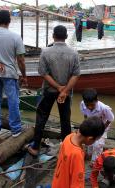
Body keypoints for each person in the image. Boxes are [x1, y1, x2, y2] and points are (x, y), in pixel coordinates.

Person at [28, 25, 80, 156]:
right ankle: (66, 149)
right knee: (65, 119)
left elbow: (43, 73)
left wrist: (57, 87)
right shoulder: (74, 53)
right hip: (66, 93)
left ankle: (35, 147)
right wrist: (64, 91)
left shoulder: (45, 52)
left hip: (49, 91)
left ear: (53, 36)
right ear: (66, 37)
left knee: (41, 118)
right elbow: (75, 75)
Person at [52, 116, 106, 188]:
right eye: (95, 140)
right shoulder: (77, 155)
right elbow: (77, 183)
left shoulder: (68, 137)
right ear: (90, 138)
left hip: (57, 181)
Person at [80, 88, 114, 163]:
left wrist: (102, 129)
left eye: (92, 105)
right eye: (87, 105)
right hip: (91, 125)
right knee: (89, 143)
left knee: (98, 145)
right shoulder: (82, 104)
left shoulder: (104, 108)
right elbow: (85, 114)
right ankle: (89, 155)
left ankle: (95, 162)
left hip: (102, 127)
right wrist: (85, 123)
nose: (89, 107)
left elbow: (110, 119)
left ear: (96, 100)